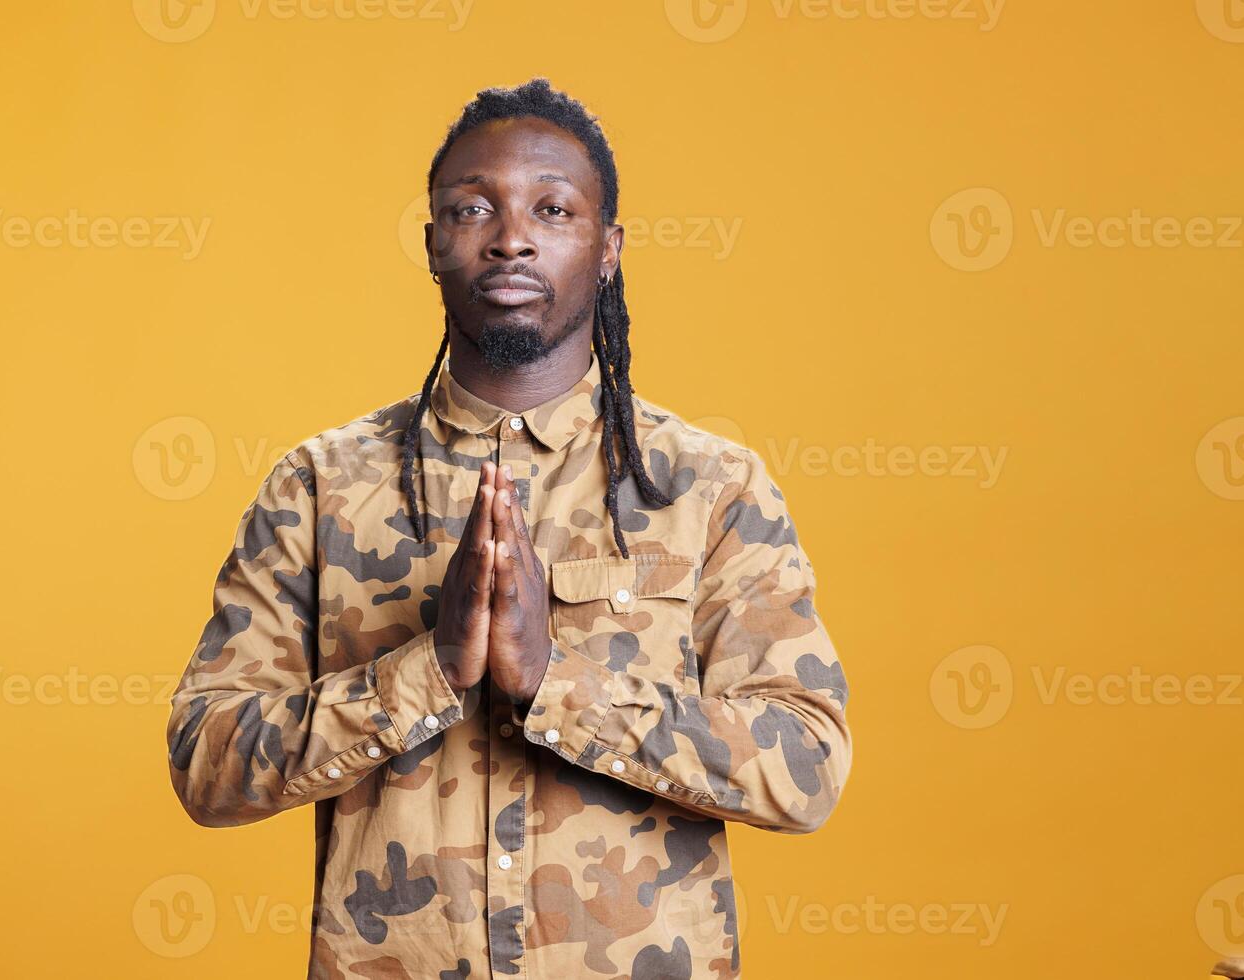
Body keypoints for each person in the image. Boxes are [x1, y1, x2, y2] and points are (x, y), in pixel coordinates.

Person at [165, 77, 851, 979]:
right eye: (472, 208)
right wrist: (429, 671)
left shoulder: (708, 488)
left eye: (552, 209)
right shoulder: (320, 487)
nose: (511, 236)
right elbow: (208, 764)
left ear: (607, 250)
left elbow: (806, 765)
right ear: (433, 245)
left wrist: (554, 686)